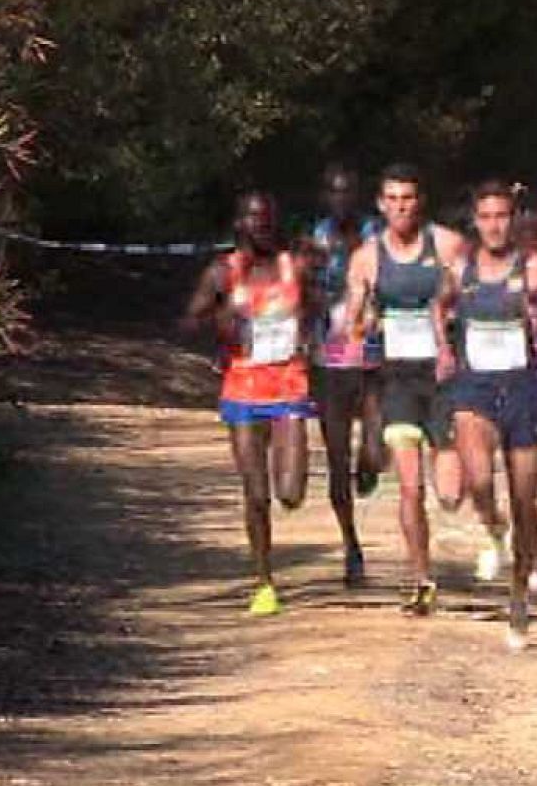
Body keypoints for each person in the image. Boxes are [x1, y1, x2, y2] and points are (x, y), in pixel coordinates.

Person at [434, 179, 537, 651]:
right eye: (486, 216)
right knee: (477, 480)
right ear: (475, 221)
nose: (495, 225)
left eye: (502, 216)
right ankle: (493, 528)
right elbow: (439, 305)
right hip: (474, 387)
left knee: (524, 498)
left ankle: (518, 594)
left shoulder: (532, 266)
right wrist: (443, 350)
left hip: (522, 390)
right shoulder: (462, 267)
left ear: (513, 220)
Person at [180, 190, 316, 617]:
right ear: (238, 223)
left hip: (289, 385)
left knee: (290, 492)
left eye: (266, 217)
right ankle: (263, 581)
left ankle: (267, 566)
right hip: (242, 390)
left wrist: (310, 336)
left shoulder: (294, 267)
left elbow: (315, 309)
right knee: (255, 493)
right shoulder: (223, 273)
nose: (259, 225)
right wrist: (219, 321)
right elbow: (188, 319)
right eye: (251, 218)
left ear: (276, 222)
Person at [343, 164, 469, 616]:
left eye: (408, 198)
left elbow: (477, 298)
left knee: (452, 495)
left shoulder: (448, 245)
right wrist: (361, 323)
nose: (400, 207)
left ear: (421, 202)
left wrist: (453, 313)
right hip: (397, 379)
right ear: (381, 204)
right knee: (410, 488)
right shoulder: (368, 256)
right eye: (392, 199)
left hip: (444, 379)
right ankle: (422, 579)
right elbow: (352, 323)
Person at [302, 163, 385, 587]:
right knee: (338, 459)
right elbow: (300, 290)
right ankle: (351, 544)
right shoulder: (315, 239)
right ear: (325, 197)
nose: (341, 199)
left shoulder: (376, 235)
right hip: (328, 359)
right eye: (333, 192)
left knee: (374, 447)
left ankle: (370, 466)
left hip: (371, 355)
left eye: (347, 191)